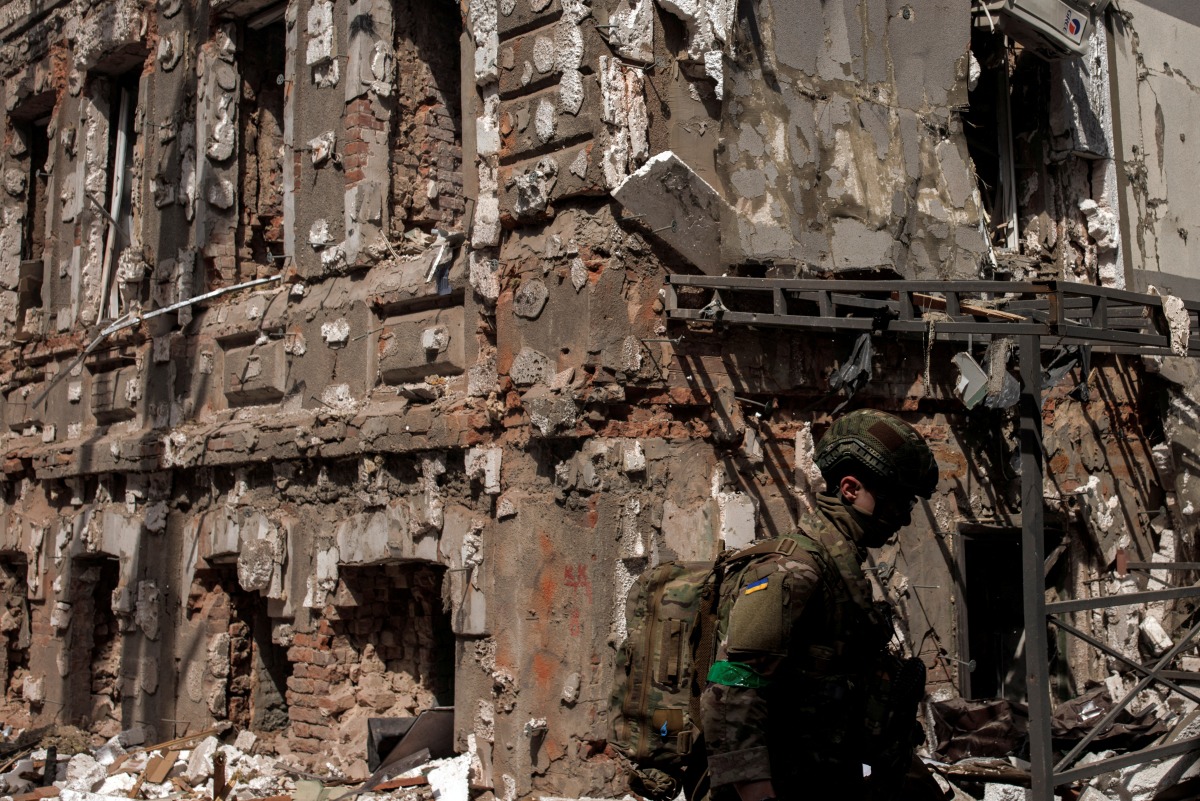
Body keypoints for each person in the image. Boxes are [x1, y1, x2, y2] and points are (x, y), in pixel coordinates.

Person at [699, 409, 941, 801]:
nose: (905, 516)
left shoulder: (842, 571)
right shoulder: (793, 571)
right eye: (897, 500)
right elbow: (732, 689)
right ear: (849, 488)